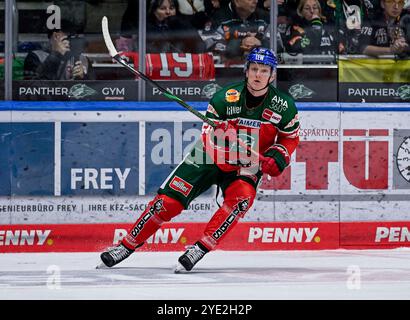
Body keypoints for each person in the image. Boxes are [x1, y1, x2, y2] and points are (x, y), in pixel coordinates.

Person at [97, 47, 300, 272]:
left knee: (241, 199)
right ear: (246, 71)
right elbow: (207, 136)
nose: (258, 75)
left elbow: (290, 138)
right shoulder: (225, 98)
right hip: (209, 156)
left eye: (264, 70)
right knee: (168, 203)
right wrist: (222, 135)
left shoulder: (284, 106)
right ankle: (126, 246)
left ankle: (199, 248)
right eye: (254, 69)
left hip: (246, 164)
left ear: (272, 74)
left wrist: (279, 156)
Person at [204, 0, 271, 63]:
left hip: (260, 68)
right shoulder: (218, 18)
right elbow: (208, 44)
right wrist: (240, 44)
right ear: (236, 1)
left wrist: (260, 44)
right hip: (227, 71)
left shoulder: (265, 17)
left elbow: (278, 44)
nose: (255, 1)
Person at [24, 19, 92, 80]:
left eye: (74, 37)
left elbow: (96, 88)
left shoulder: (82, 59)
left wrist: (83, 77)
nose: (71, 41)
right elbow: (32, 87)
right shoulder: (36, 57)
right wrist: (56, 54)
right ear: (55, 36)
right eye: (68, 37)